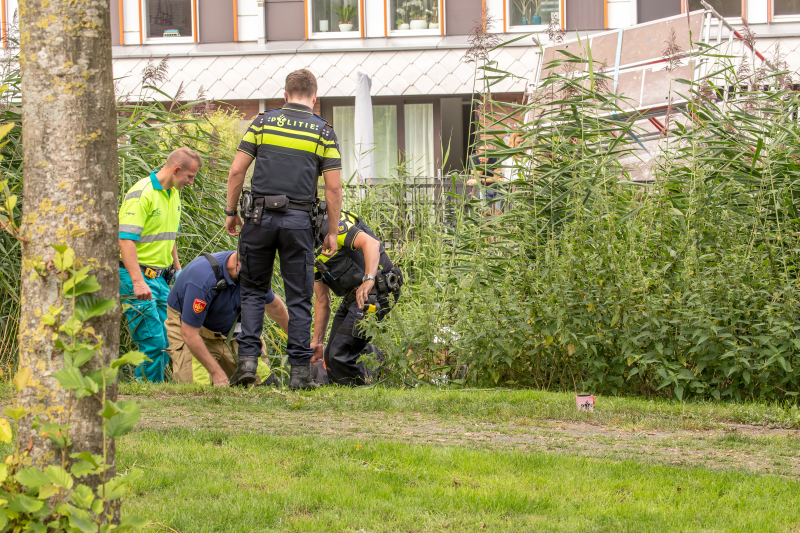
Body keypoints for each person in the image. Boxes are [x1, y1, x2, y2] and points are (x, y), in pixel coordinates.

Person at [224, 69, 343, 389]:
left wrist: (231, 212)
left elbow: (236, 171)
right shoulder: (323, 132)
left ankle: (248, 363)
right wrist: (332, 231)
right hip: (299, 224)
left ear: (285, 95)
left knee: (252, 291)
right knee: (300, 297)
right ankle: (300, 374)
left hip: (259, 220)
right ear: (315, 98)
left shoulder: (262, 122)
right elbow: (333, 190)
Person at [119, 147, 201, 382]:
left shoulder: (173, 193)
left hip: (160, 278)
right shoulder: (142, 193)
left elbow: (169, 235)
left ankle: (152, 388)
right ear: (176, 170)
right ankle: (146, 390)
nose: (191, 182)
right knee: (153, 340)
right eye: (190, 176)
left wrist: (177, 269)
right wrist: (137, 281)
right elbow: (125, 240)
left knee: (169, 337)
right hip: (135, 277)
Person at [165, 250, 288, 386]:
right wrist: (216, 372)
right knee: (199, 390)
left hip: (232, 329)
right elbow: (189, 333)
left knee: (264, 383)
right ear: (239, 265)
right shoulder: (203, 278)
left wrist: (298, 341)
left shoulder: (254, 273)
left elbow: (274, 307)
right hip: (192, 330)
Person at [312, 210, 403, 386]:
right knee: (331, 358)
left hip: (379, 287)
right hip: (354, 296)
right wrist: (317, 342)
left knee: (341, 355)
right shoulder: (305, 250)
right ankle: (374, 363)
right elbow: (322, 300)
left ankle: (361, 393)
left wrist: (369, 279)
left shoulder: (330, 226)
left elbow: (371, 244)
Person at [467, 143, 506, 214]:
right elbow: (475, 177)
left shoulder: (495, 157)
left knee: (499, 212)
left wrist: (480, 180)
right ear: (477, 153)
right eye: (482, 154)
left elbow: (496, 179)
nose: (485, 156)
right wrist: (483, 165)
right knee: (485, 212)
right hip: (484, 187)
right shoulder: (473, 158)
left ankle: (499, 224)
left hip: (497, 187)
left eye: (487, 153)